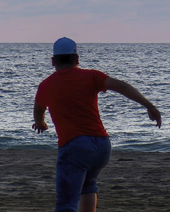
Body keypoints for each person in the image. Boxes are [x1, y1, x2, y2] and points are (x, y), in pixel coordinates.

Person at [33, 37, 162, 212]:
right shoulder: (92, 76)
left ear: (53, 61)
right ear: (77, 59)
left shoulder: (45, 86)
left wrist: (41, 124)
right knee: (88, 186)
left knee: (66, 203)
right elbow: (121, 86)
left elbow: (39, 110)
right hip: (102, 145)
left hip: (75, 146)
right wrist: (149, 106)